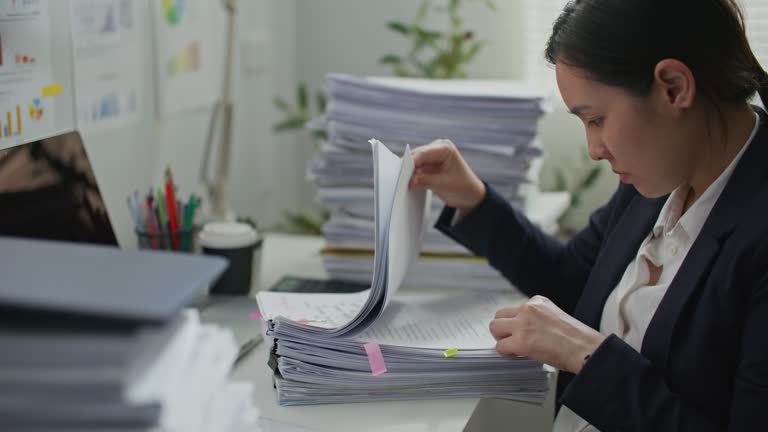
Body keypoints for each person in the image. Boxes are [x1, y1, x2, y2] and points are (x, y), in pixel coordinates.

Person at [409, 0, 768, 430]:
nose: (594, 149)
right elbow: (572, 281)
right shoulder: (659, 174)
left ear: (674, 87)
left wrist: (589, 357)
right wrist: (472, 198)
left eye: (596, 119)